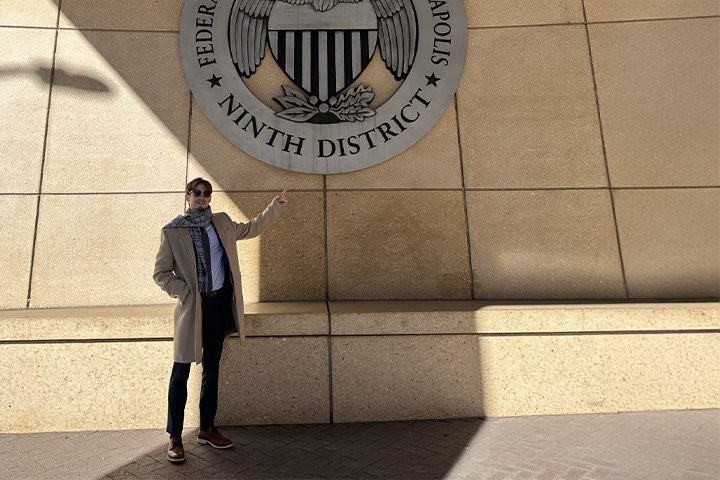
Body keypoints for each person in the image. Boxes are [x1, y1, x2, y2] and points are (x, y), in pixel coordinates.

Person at [153, 177, 288, 463]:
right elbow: (161, 273)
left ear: (210, 198)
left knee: (212, 368)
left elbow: (251, 228)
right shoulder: (172, 231)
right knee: (181, 372)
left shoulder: (222, 223)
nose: (201, 197)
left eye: (206, 193)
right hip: (192, 309)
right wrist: (186, 293)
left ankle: (207, 429)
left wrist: (275, 206)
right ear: (187, 196)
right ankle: (175, 437)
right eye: (196, 193)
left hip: (217, 306)